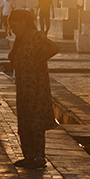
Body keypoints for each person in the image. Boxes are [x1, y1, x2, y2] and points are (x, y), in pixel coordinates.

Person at [7, 9, 60, 168]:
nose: (14, 30)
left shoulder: (36, 36)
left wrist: (39, 61)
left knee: (35, 120)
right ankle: (28, 156)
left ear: (24, 23)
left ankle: (39, 156)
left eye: (15, 26)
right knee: (25, 119)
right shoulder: (20, 39)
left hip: (36, 86)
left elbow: (54, 48)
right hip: (23, 86)